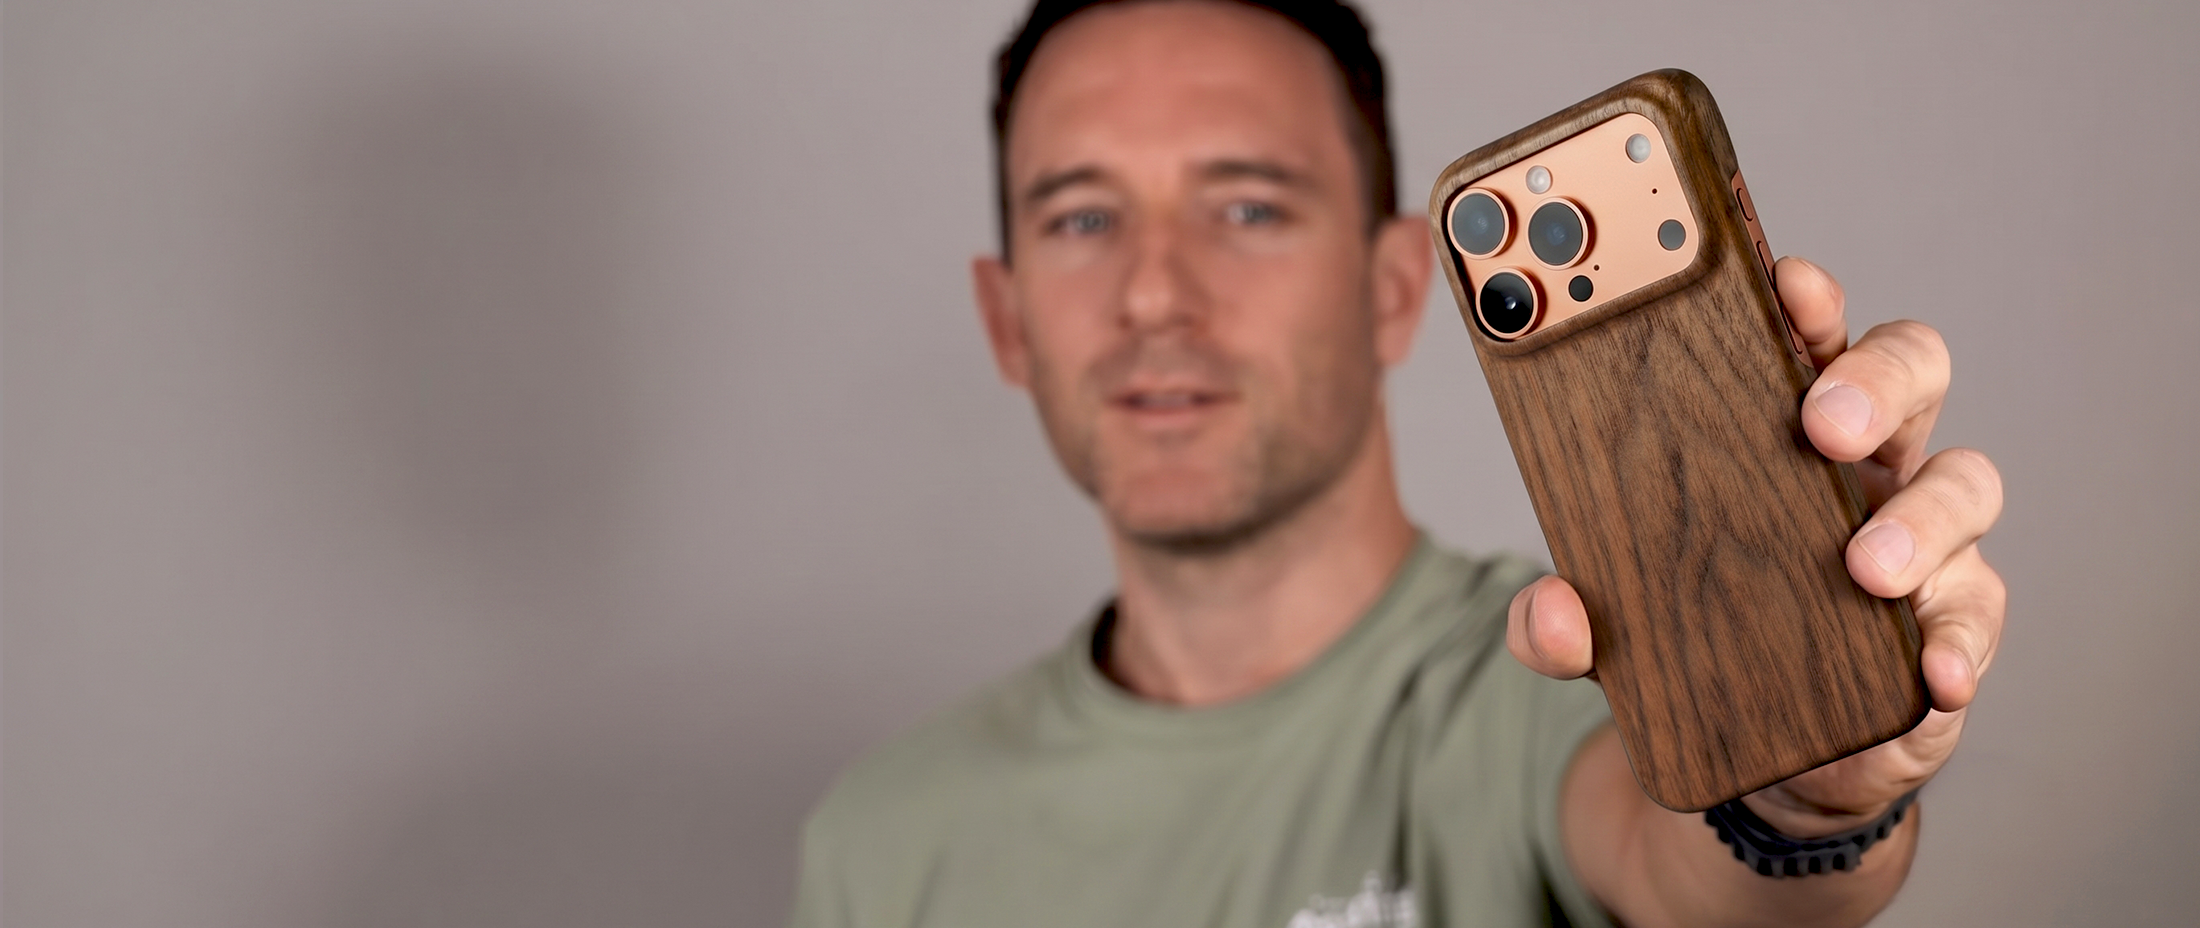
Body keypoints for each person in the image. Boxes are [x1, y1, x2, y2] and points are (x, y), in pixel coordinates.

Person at [788, 1, 2007, 925]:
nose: (1154, 295)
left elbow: (1696, 873)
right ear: (1008, 320)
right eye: (1082, 219)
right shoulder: (879, 845)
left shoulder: (1570, 679)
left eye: (1249, 206)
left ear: (1391, 288)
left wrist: (1808, 798)